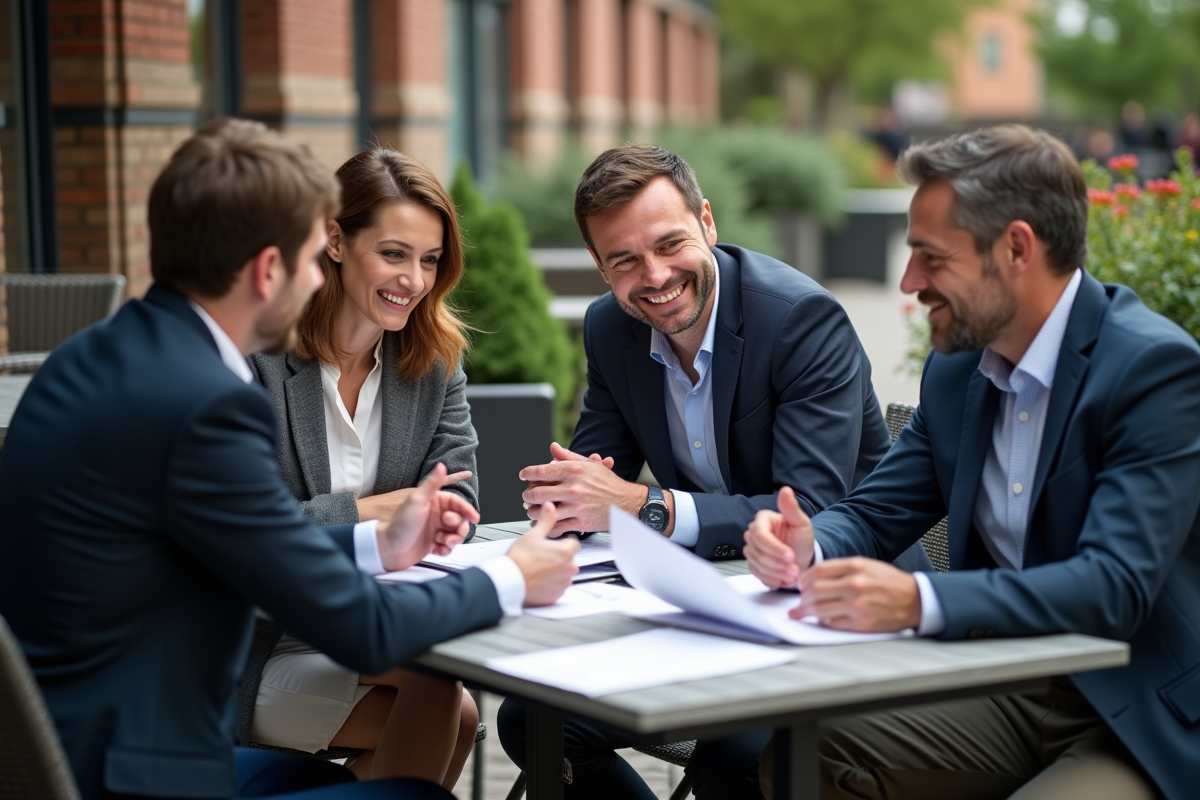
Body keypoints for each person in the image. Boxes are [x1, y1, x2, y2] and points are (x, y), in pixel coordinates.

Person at [0, 119, 580, 800]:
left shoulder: (93, 356)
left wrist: (373, 541)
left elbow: (243, 540)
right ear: (267, 269)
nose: (317, 279)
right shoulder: (207, 403)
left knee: (398, 743)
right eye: (312, 258)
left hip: (63, 746)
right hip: (140, 769)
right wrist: (513, 577)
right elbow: (361, 629)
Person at [744, 125, 1200, 800]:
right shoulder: (959, 369)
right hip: (1010, 681)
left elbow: (1114, 588)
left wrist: (917, 599)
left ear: (1016, 247)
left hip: (1141, 714)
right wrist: (809, 545)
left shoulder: (1152, 370)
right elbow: (876, 513)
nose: (908, 281)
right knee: (802, 754)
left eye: (931, 257)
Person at [501, 144, 929, 800]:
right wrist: (561, 506)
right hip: (711, 603)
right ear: (600, 266)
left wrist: (646, 507)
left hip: (838, 608)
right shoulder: (610, 328)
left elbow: (810, 510)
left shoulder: (799, 321)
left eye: (670, 243)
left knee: (736, 757)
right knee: (533, 719)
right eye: (625, 260)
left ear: (707, 221)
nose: (655, 275)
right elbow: (597, 471)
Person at [247, 149, 481, 788]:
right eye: (395, 253)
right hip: (259, 641)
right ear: (334, 240)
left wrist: (414, 519)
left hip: (370, 618)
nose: (414, 280)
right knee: (442, 702)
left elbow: (457, 496)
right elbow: (249, 532)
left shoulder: (432, 360)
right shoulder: (259, 362)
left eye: (430, 260)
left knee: (451, 709)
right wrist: (374, 513)